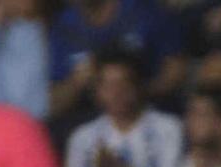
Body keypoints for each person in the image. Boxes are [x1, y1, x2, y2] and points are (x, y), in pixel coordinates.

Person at [47, 0, 185, 118]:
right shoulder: (63, 27)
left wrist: (133, 93)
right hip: (90, 120)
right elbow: (53, 103)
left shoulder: (142, 9)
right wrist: (75, 83)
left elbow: (176, 69)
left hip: (151, 112)